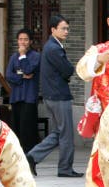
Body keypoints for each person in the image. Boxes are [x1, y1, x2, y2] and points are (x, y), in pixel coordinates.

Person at [27, 14, 82, 178]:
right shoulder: (54, 48)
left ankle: (32, 157)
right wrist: (67, 73)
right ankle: (65, 168)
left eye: (67, 28)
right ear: (53, 30)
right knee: (66, 134)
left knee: (58, 132)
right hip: (58, 95)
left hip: (53, 95)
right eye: (63, 28)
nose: (66, 31)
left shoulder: (52, 46)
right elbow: (68, 69)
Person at [5, 28, 41, 153]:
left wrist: (22, 56)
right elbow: (8, 75)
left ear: (30, 41)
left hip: (29, 96)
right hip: (16, 96)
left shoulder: (36, 56)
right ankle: (16, 152)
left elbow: (28, 70)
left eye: (26, 39)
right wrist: (21, 77)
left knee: (28, 127)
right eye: (20, 39)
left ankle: (29, 153)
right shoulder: (13, 57)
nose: (23, 42)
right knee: (16, 126)